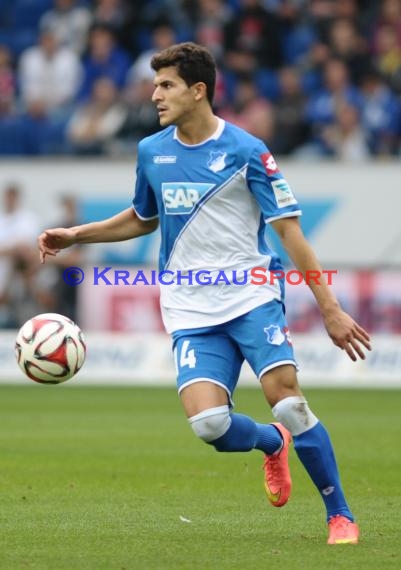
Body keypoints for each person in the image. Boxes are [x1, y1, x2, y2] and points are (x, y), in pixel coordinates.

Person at [38, 42, 371, 545]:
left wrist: (331, 308)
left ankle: (339, 515)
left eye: (165, 85)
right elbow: (143, 218)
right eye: (155, 85)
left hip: (251, 295)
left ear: (198, 91)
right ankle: (269, 443)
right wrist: (76, 235)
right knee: (210, 425)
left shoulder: (246, 151)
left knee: (287, 401)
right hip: (189, 305)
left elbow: (290, 234)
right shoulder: (153, 151)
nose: (154, 95)